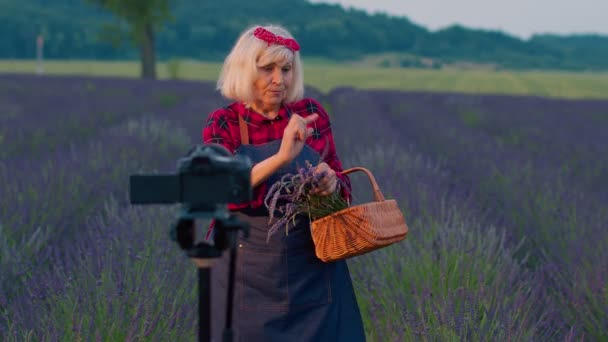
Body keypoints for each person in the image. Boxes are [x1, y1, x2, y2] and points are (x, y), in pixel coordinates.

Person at [202, 24, 365, 342]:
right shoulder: (225, 123)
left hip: (312, 268)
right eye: (268, 69)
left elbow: (344, 188)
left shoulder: (311, 114)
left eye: (287, 69)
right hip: (244, 273)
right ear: (245, 70)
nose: (279, 80)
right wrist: (281, 156)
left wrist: (331, 184)